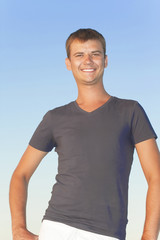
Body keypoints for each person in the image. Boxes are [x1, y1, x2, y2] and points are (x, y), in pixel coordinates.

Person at [9, 28, 160, 240]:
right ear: (68, 64)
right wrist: (18, 229)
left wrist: (149, 235)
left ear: (105, 60)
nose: (87, 61)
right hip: (55, 228)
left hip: (106, 234)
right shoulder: (55, 117)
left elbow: (156, 177)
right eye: (79, 55)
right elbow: (20, 175)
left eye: (95, 54)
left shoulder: (131, 111)